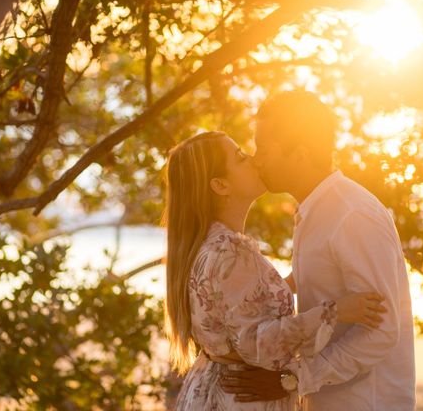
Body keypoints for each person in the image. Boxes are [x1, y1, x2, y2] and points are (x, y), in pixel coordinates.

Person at [220, 91, 416, 410]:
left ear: (299, 154)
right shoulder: (314, 211)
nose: (257, 159)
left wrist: (294, 377)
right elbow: (316, 276)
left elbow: (381, 330)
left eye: (264, 148)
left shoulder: (353, 215)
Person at [163, 131, 387, 410]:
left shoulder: (210, 245)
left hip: (211, 389)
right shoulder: (232, 251)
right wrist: (335, 311)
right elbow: (258, 345)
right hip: (244, 398)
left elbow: (239, 309)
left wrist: (297, 279)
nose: (255, 160)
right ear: (220, 185)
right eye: (241, 157)